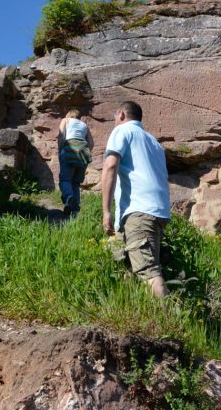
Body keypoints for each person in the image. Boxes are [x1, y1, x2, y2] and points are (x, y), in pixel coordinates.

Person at [101, 101, 171, 297]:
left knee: (149, 272)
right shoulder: (155, 143)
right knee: (126, 263)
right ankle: (132, 311)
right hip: (158, 211)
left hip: (138, 211)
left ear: (121, 114)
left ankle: (171, 324)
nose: (114, 121)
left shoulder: (122, 131)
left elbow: (110, 166)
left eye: (115, 117)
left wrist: (105, 211)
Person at [57, 108, 93, 217]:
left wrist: (60, 150)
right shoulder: (84, 125)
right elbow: (91, 143)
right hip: (83, 152)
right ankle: (75, 211)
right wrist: (85, 151)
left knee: (65, 179)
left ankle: (68, 198)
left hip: (69, 148)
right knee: (76, 183)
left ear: (69, 115)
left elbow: (61, 135)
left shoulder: (65, 120)